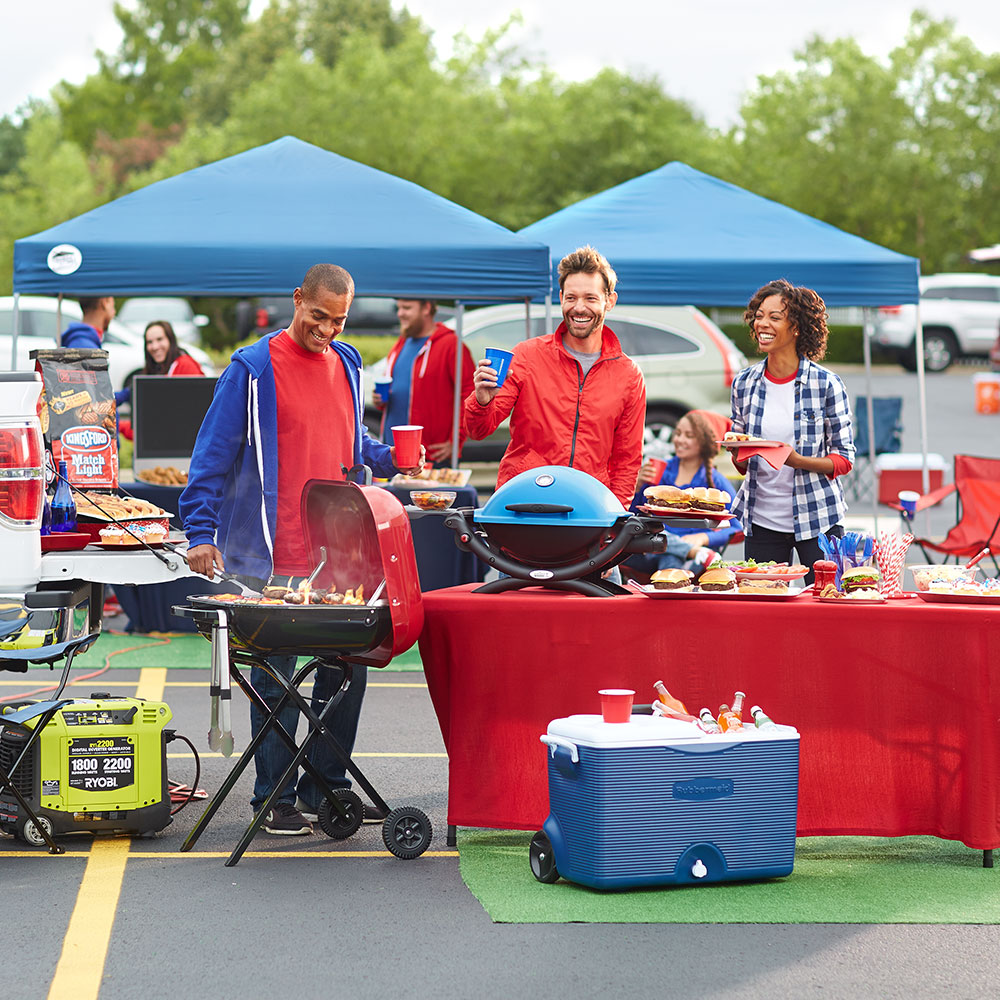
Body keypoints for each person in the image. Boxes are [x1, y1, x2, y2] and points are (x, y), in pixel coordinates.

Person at [180, 263, 424, 836]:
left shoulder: (347, 362)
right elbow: (210, 458)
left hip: (339, 557)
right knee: (275, 681)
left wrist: (390, 458)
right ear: (297, 300)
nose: (329, 331)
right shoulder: (252, 369)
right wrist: (199, 533)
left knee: (349, 672)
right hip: (271, 556)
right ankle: (276, 798)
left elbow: (347, 437)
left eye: (339, 320)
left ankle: (326, 789)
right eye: (319, 317)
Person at [463, 245, 646, 507]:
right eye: (571, 298)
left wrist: (614, 518)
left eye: (590, 298)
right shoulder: (527, 356)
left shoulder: (629, 375)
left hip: (587, 505)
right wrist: (482, 401)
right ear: (561, 298)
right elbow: (478, 430)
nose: (579, 308)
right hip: (523, 499)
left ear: (610, 301)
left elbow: (627, 461)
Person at [729, 279, 855, 579]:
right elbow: (742, 465)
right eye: (759, 316)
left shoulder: (826, 384)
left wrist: (796, 461)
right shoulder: (744, 383)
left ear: (796, 327)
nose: (763, 324)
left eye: (774, 317)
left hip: (819, 517)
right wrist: (737, 451)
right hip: (762, 520)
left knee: (825, 602)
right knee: (764, 607)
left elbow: (845, 459)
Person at [627, 410, 743, 577]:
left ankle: (681, 562)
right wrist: (637, 487)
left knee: (671, 558)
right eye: (678, 433)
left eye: (688, 436)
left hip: (678, 551)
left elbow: (737, 528)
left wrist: (703, 538)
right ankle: (692, 552)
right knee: (655, 535)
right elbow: (633, 513)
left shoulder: (714, 482)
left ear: (704, 442)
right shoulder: (659, 470)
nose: (679, 440)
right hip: (652, 545)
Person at [376, 299, 474, 466]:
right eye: (398, 308)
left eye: (406, 307)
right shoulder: (401, 343)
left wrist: (456, 440)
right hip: (392, 453)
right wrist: (381, 400)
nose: (400, 313)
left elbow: (469, 393)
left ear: (427, 308)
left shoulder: (451, 345)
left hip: (430, 455)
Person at [118, 321, 205, 440]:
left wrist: (119, 426)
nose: (154, 346)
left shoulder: (185, 365)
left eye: (160, 339)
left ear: (171, 340)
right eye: (150, 342)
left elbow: (168, 421)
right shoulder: (159, 369)